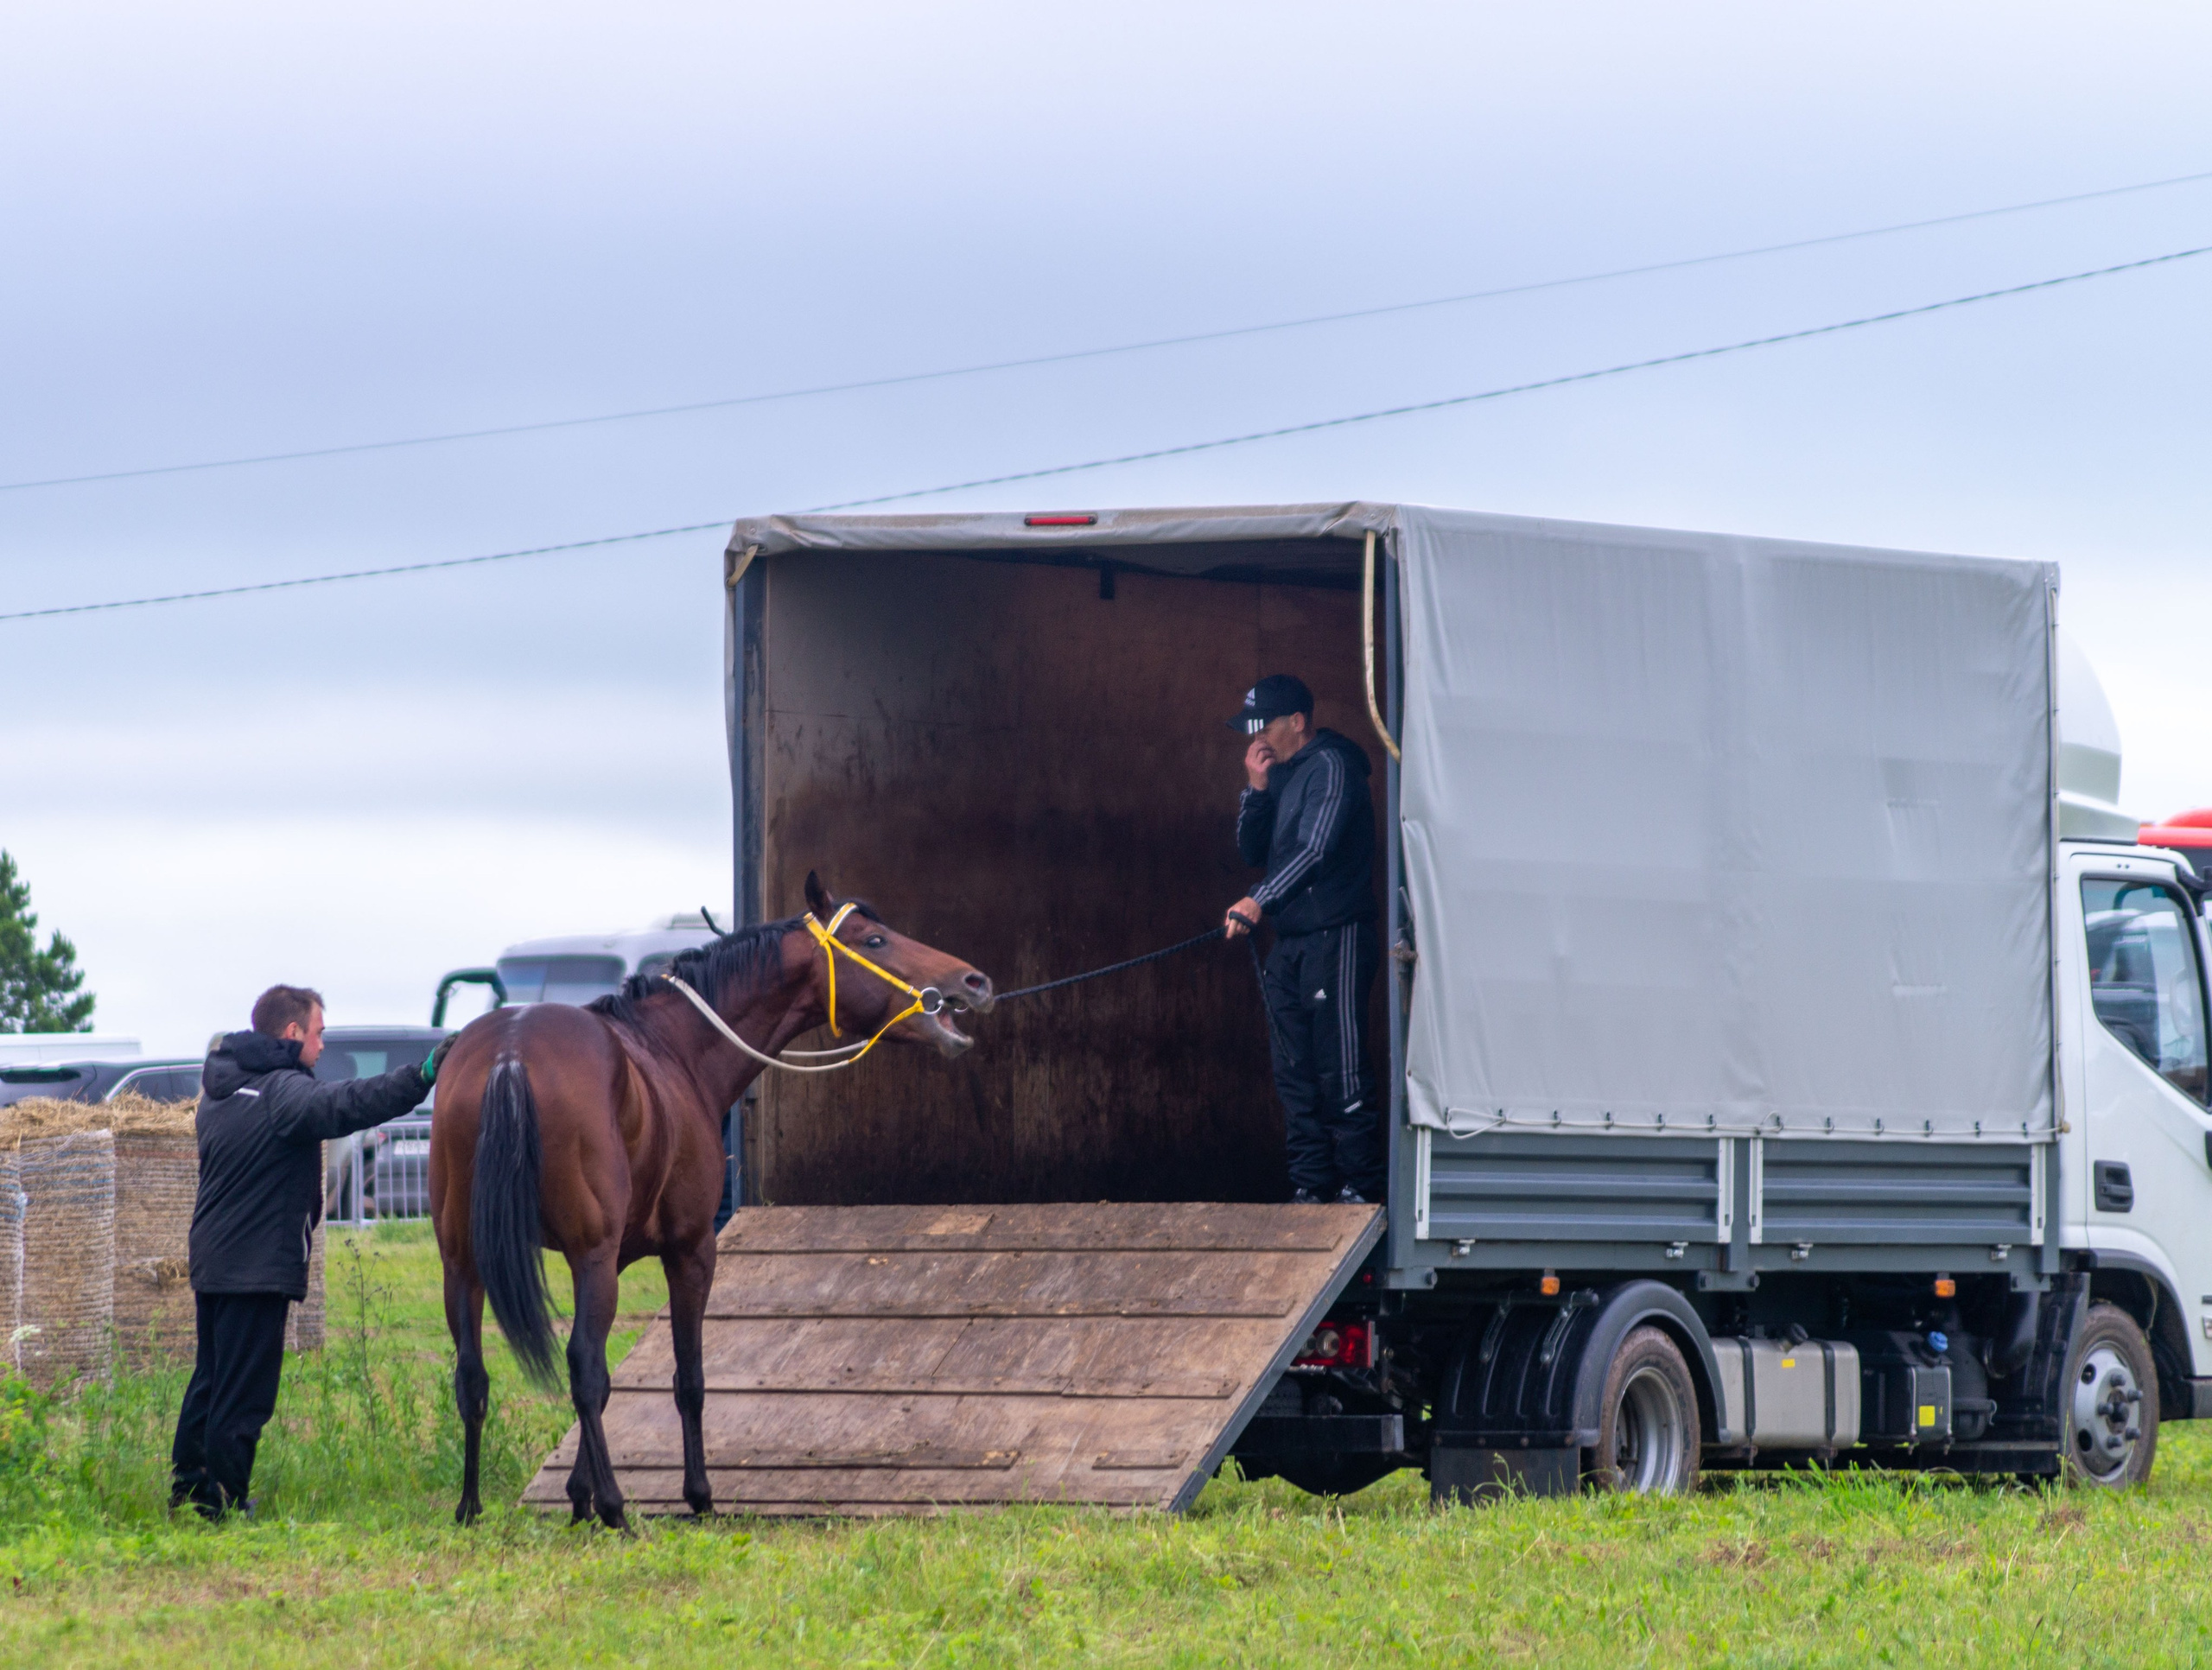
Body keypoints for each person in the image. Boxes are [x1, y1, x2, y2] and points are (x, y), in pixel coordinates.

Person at [170, 983, 454, 1519]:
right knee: (244, 1392)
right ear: (293, 1032)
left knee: (210, 1378)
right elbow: (349, 1103)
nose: (323, 1047)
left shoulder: (222, 1086)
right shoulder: (280, 1093)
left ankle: (188, 1492)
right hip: (255, 1267)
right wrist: (421, 1076)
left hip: (215, 1259)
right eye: (319, 1034)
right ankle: (225, 1503)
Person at [1222, 674, 1382, 1204]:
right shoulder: (1283, 774)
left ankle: (1359, 1186)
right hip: (1290, 942)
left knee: (1341, 1068)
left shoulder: (1333, 767)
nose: (1258, 740)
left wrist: (1257, 901)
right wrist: (1257, 789)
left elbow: (1315, 850)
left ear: (1296, 722)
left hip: (1336, 936)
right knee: (1293, 1071)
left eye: (1265, 727)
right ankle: (1312, 1186)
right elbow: (1252, 850)